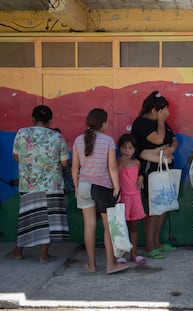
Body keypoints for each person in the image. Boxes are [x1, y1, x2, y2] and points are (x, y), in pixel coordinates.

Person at [6, 105, 69, 263]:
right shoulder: (57, 137)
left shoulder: (22, 133)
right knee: (48, 219)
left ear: (33, 119)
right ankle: (43, 255)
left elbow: (16, 156)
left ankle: (18, 251)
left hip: (29, 183)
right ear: (50, 121)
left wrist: (30, 165)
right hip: (52, 185)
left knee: (27, 218)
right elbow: (65, 163)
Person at [72, 108, 129, 274]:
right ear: (103, 123)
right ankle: (110, 265)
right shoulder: (108, 141)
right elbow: (112, 167)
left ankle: (91, 265)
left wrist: (76, 188)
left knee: (89, 225)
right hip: (102, 188)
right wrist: (117, 187)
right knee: (108, 227)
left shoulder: (78, 140)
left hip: (83, 186)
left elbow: (75, 168)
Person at [131, 90, 178, 259]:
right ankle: (150, 246)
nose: (168, 113)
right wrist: (161, 122)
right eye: (164, 110)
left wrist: (170, 150)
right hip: (149, 170)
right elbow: (159, 139)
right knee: (153, 208)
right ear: (154, 111)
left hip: (164, 168)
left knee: (163, 206)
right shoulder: (141, 123)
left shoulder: (162, 122)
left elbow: (173, 139)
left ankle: (157, 242)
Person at [116, 134, 146, 265]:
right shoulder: (117, 162)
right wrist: (120, 165)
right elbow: (114, 176)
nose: (127, 150)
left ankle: (134, 254)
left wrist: (141, 177)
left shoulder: (137, 163)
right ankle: (121, 254)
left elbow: (141, 174)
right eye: (124, 147)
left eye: (130, 148)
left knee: (134, 227)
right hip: (122, 198)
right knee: (121, 228)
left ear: (134, 150)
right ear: (120, 149)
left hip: (135, 198)